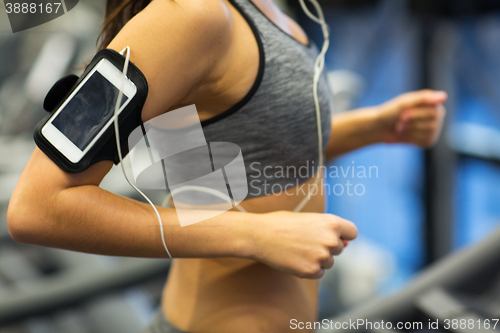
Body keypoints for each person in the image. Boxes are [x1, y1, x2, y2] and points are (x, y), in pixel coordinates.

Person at [7, 0, 446, 332]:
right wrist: (257, 235)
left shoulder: (264, 7)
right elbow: (38, 208)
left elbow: (231, 172)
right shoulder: (190, 15)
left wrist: (374, 127)